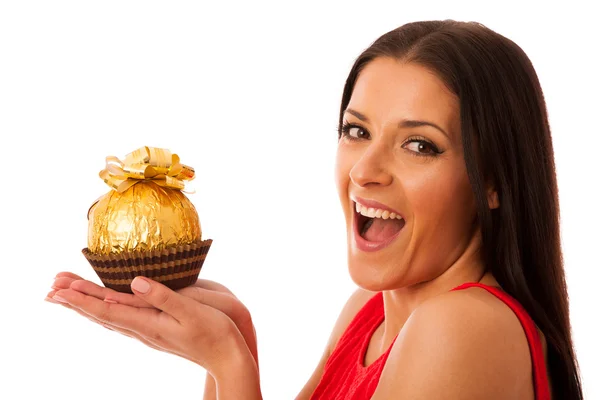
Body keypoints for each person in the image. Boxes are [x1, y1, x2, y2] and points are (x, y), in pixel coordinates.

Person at [46, 20, 583, 399]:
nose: (364, 171)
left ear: (493, 183)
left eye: (419, 145)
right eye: (357, 131)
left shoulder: (463, 326)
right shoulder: (367, 313)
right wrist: (232, 344)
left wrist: (231, 366)